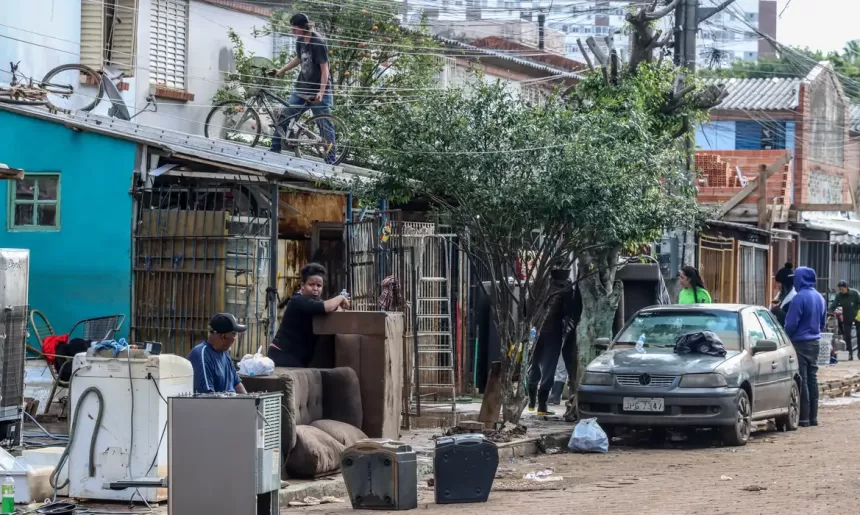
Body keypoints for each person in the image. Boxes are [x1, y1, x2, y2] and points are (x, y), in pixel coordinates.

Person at [270, 13, 336, 162]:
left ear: (302, 27)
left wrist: (321, 91)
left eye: (294, 28)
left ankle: (331, 159)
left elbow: (325, 69)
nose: (292, 31)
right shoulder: (300, 40)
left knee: (324, 124)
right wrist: (281, 70)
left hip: (319, 91)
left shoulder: (318, 42)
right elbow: (299, 59)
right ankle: (275, 148)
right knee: (285, 116)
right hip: (302, 88)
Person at [269, 263, 349, 368]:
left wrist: (340, 307)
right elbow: (326, 307)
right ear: (302, 286)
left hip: (297, 358)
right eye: (311, 285)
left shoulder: (315, 303)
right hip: (282, 355)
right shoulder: (298, 300)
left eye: (319, 286)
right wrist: (341, 297)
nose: (315, 288)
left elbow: (330, 311)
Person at [527, 270, 574, 415]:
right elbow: (568, 312)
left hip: (535, 330)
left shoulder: (538, 285)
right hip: (552, 333)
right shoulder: (565, 288)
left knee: (534, 365)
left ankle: (531, 402)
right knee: (548, 368)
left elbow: (527, 307)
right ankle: (542, 406)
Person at [784, 267, 827, 427]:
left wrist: (785, 336)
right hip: (815, 342)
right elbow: (822, 323)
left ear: (800, 279)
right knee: (812, 379)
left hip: (800, 343)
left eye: (796, 277)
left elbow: (791, 323)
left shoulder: (799, 298)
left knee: (802, 379)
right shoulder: (820, 298)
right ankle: (813, 417)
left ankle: (803, 418)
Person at [188, 313, 248, 394]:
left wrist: (250, 403)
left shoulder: (225, 354)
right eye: (234, 334)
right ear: (223, 336)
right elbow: (207, 396)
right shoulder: (201, 355)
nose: (235, 339)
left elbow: (237, 384)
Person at [829, 280, 860, 360]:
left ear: (846, 287)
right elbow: (834, 304)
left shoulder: (855, 293)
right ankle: (849, 354)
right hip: (847, 317)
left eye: (842, 289)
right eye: (840, 289)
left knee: (859, 334)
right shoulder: (839, 296)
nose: (841, 291)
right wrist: (830, 312)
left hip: (857, 317)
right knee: (847, 336)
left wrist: (858, 312)